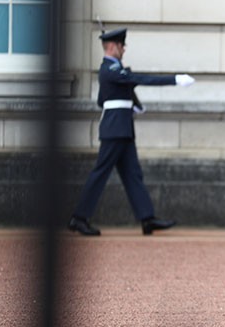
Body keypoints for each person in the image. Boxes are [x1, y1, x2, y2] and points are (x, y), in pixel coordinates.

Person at [68, 28, 196, 236]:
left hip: (122, 128)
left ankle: (147, 218)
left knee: (132, 174)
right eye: (121, 45)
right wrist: (175, 79)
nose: (123, 49)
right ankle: (79, 218)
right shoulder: (110, 69)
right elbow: (139, 79)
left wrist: (135, 105)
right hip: (114, 129)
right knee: (100, 173)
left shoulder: (114, 71)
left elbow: (106, 98)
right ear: (112, 47)